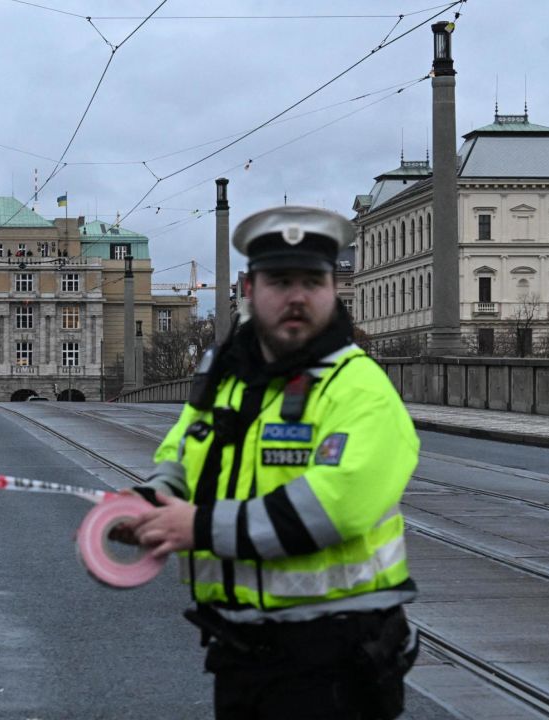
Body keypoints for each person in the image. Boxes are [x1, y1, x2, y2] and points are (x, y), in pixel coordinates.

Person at [116, 206, 420, 719]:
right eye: (280, 281)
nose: (297, 296)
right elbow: (183, 456)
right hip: (240, 650)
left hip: (336, 656)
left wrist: (200, 526)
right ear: (250, 291)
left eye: (312, 281)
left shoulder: (358, 386)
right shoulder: (228, 379)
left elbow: (337, 504)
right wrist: (148, 499)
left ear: (331, 289)